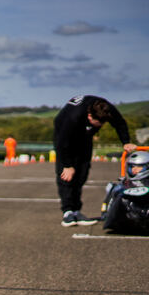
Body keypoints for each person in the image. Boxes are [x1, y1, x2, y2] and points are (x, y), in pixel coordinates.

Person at [54, 95, 136, 227]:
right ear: (89, 115)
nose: (100, 126)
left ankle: (76, 211)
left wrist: (125, 142)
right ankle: (68, 212)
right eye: (97, 123)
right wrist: (67, 165)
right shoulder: (72, 118)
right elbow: (62, 144)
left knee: (82, 172)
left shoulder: (107, 109)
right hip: (64, 135)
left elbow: (120, 123)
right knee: (67, 176)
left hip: (84, 138)